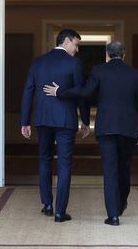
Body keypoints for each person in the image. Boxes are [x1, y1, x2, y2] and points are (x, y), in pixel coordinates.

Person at [43, 41, 138, 226]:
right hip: (128, 129)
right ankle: (121, 202)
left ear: (107, 54)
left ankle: (113, 215)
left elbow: (84, 92)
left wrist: (60, 91)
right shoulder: (135, 74)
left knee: (109, 170)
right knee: (124, 168)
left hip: (106, 128)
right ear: (123, 54)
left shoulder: (99, 71)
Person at [21, 29, 90, 223]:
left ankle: (47, 204)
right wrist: (85, 120)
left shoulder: (38, 62)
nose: (77, 49)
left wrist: (25, 121)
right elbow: (81, 93)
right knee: (64, 164)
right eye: (76, 44)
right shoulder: (74, 63)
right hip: (66, 121)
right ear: (66, 41)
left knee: (44, 160)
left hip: (43, 119)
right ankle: (60, 212)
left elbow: (28, 92)